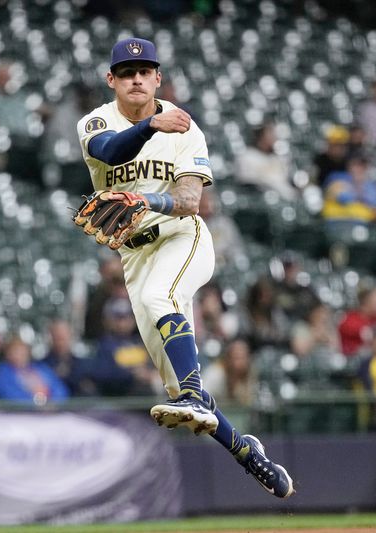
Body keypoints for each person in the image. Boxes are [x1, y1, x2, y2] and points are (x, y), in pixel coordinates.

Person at [76, 37, 294, 497]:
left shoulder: (184, 127)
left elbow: (192, 202)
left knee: (162, 299)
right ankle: (247, 451)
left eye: (146, 70)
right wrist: (152, 126)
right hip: (134, 256)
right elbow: (111, 152)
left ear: (158, 77)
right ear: (111, 80)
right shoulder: (95, 121)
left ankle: (197, 396)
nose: (137, 77)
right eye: (127, 71)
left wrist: (147, 198)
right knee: (178, 388)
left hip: (182, 237)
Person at [92, 298, 159, 397]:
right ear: (109, 320)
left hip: (148, 397)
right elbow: (102, 375)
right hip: (119, 399)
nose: (122, 323)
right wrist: (133, 375)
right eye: (118, 318)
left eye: (126, 317)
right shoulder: (105, 344)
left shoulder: (142, 342)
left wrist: (151, 374)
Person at [0, 336, 68, 404]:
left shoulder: (42, 369)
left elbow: (60, 389)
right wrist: (37, 403)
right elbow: (11, 396)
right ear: (8, 354)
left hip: (52, 414)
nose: (19, 355)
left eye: (22, 351)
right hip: (21, 417)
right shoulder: (3, 375)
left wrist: (52, 403)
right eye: (15, 352)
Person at [234, 122, 295, 199]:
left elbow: (286, 180)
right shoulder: (247, 156)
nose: (273, 138)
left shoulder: (279, 157)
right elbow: (247, 182)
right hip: (260, 198)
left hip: (283, 198)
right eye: (269, 135)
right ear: (261, 137)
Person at [321, 153, 376, 230]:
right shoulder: (336, 177)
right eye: (355, 165)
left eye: (361, 165)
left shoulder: (371, 186)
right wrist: (358, 196)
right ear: (349, 165)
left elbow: (374, 205)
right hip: (336, 221)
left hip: (361, 225)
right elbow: (339, 196)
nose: (358, 168)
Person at [42, 320, 95, 396]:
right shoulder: (42, 366)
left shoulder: (83, 365)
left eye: (63, 337)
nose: (61, 341)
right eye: (57, 337)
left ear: (70, 337)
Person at [203, 338, 256, 406]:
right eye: (236, 358)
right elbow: (200, 399)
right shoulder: (215, 374)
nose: (240, 363)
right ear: (228, 358)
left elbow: (249, 403)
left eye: (243, 358)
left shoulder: (249, 374)